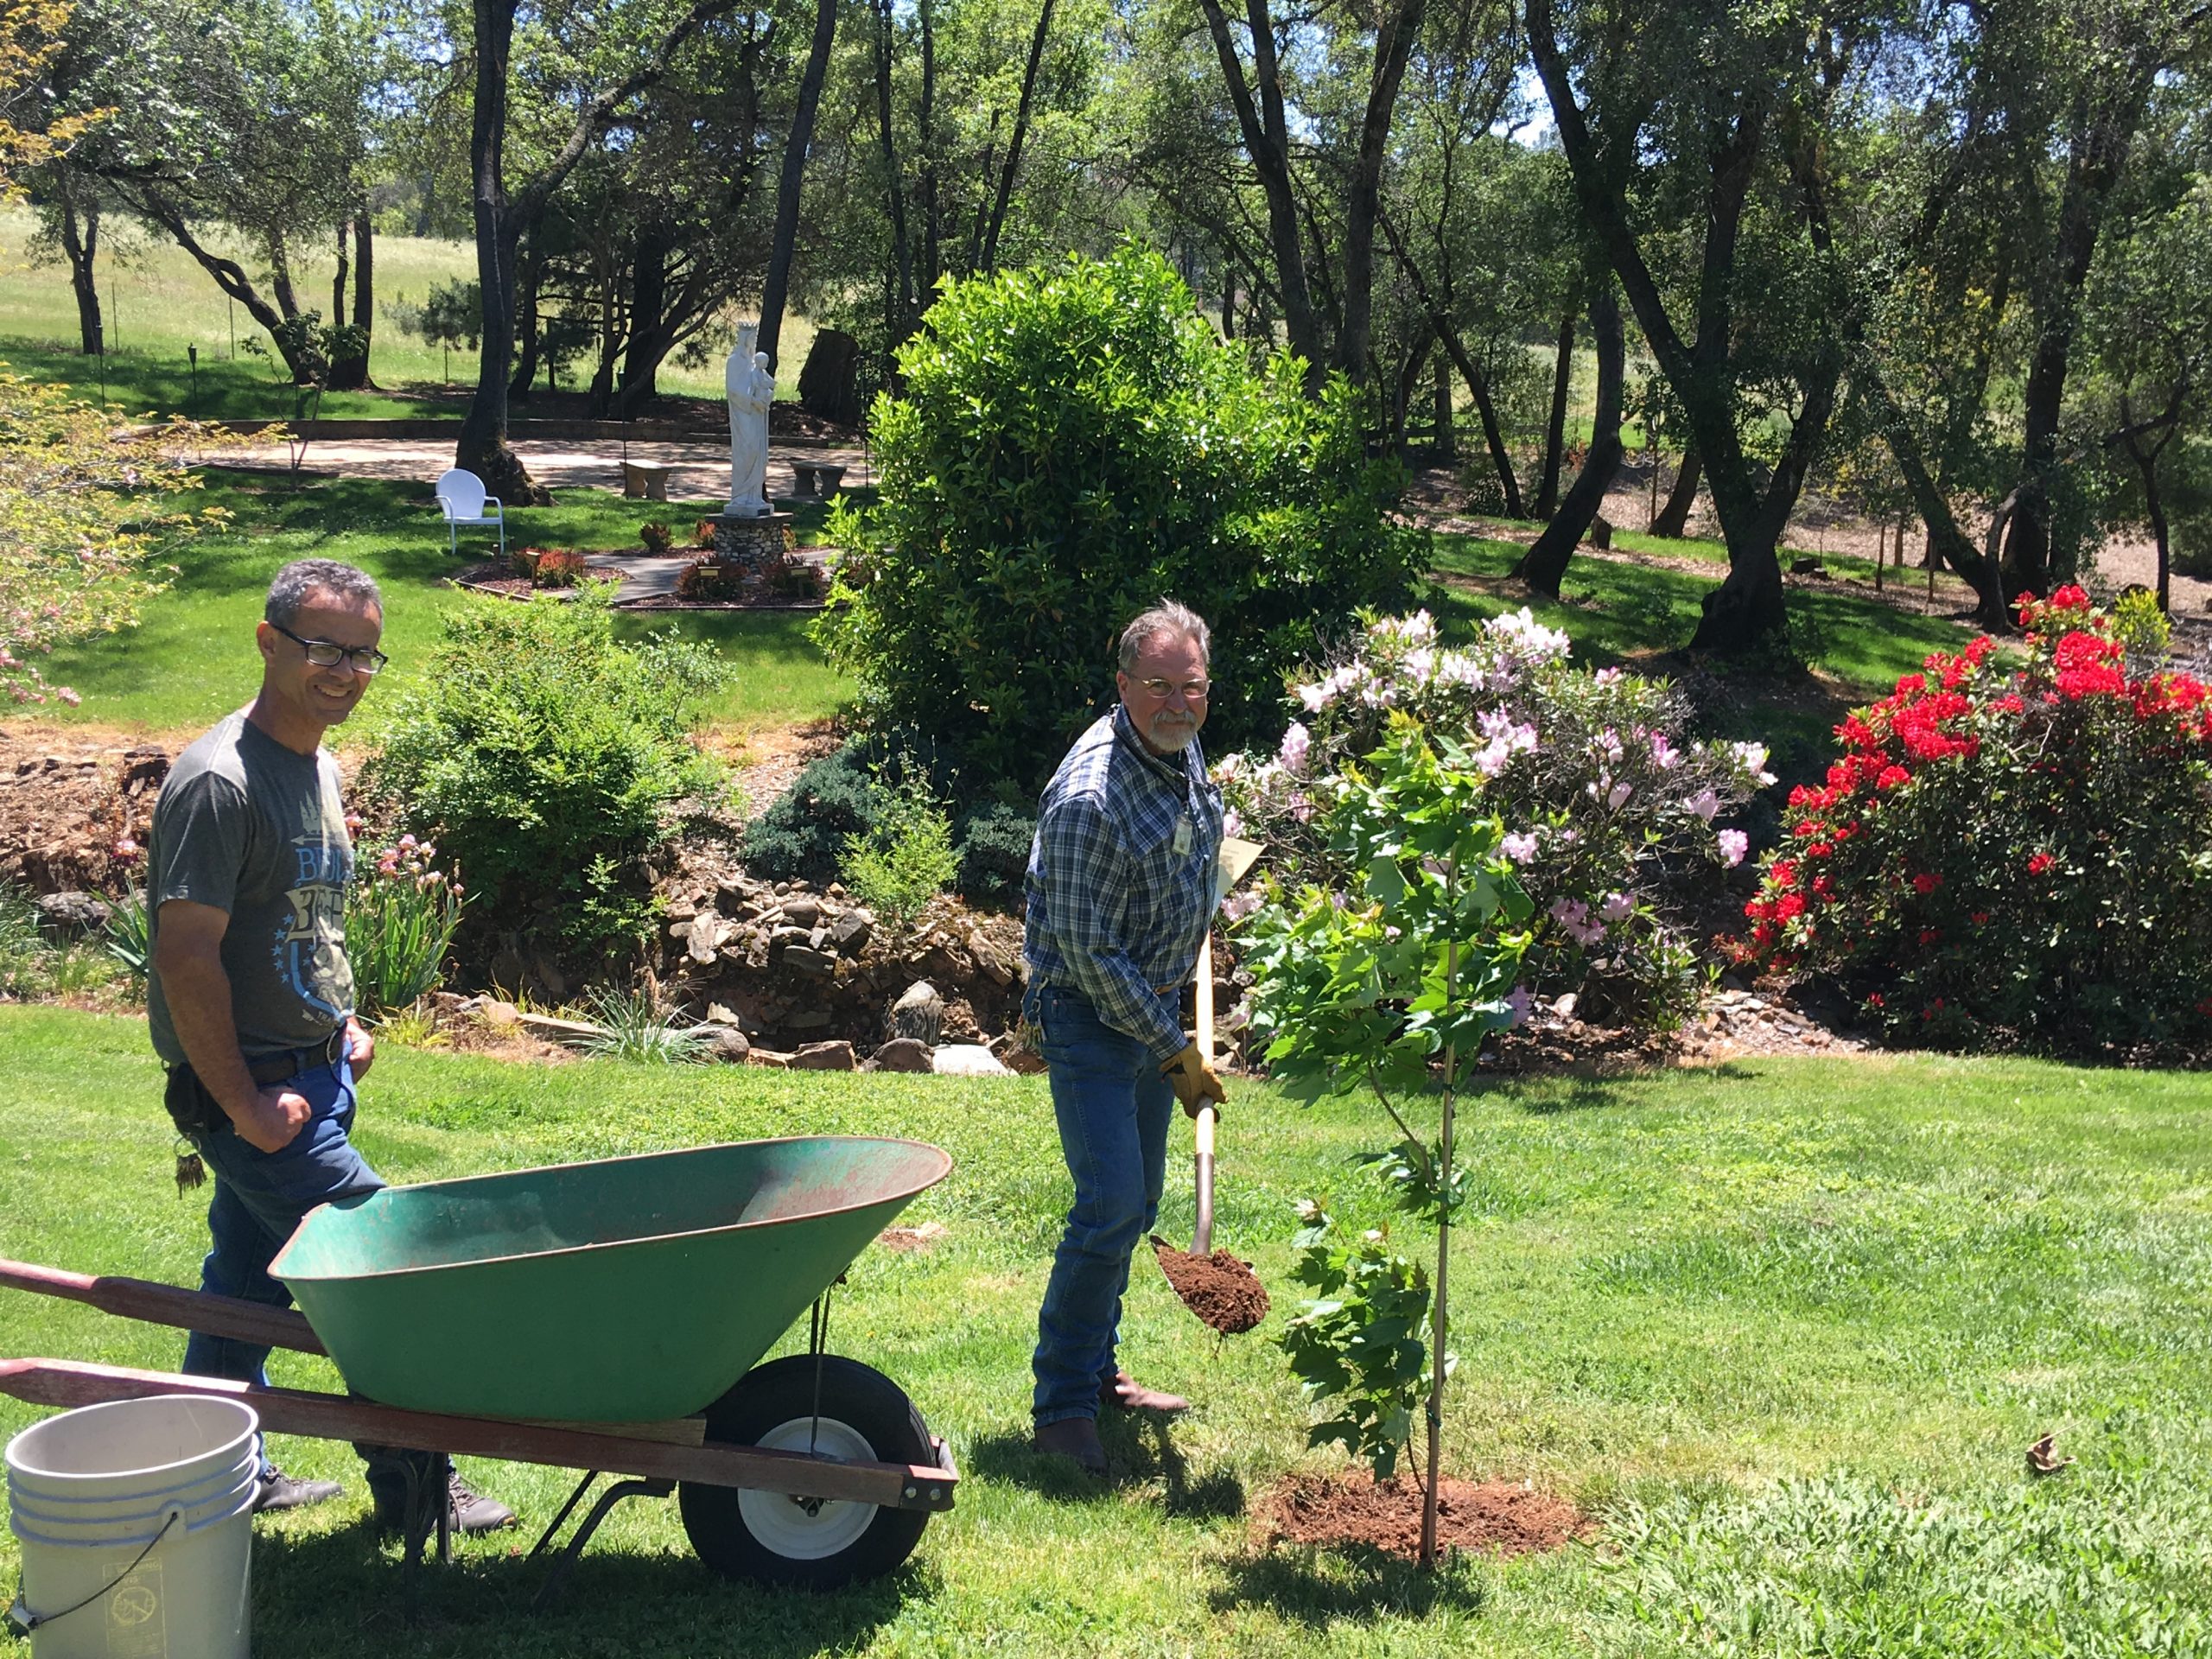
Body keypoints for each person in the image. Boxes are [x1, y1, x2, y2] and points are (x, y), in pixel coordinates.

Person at [146, 558, 514, 1537]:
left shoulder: (317, 765)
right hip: (259, 1095)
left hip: (311, 1074)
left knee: (240, 1285)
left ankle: (211, 1474)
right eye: (323, 648)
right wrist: (242, 1108)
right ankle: (418, 1481)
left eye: (362, 654)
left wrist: (337, 1019)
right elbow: (186, 958)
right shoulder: (219, 783)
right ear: (269, 643)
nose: (344, 671)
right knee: (383, 1272)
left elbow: (306, 918)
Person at [1021, 601, 1229, 1475]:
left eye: (1192, 686)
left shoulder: (1178, 753)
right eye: (1159, 687)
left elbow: (1196, 846)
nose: (1178, 703)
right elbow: (1089, 955)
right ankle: (1062, 1403)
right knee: (1109, 1205)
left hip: (1150, 1015)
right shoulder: (1088, 799)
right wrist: (1172, 1051)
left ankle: (1099, 1372)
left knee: (1136, 1207)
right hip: (1091, 1019)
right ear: (1122, 687)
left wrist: (1210, 894)